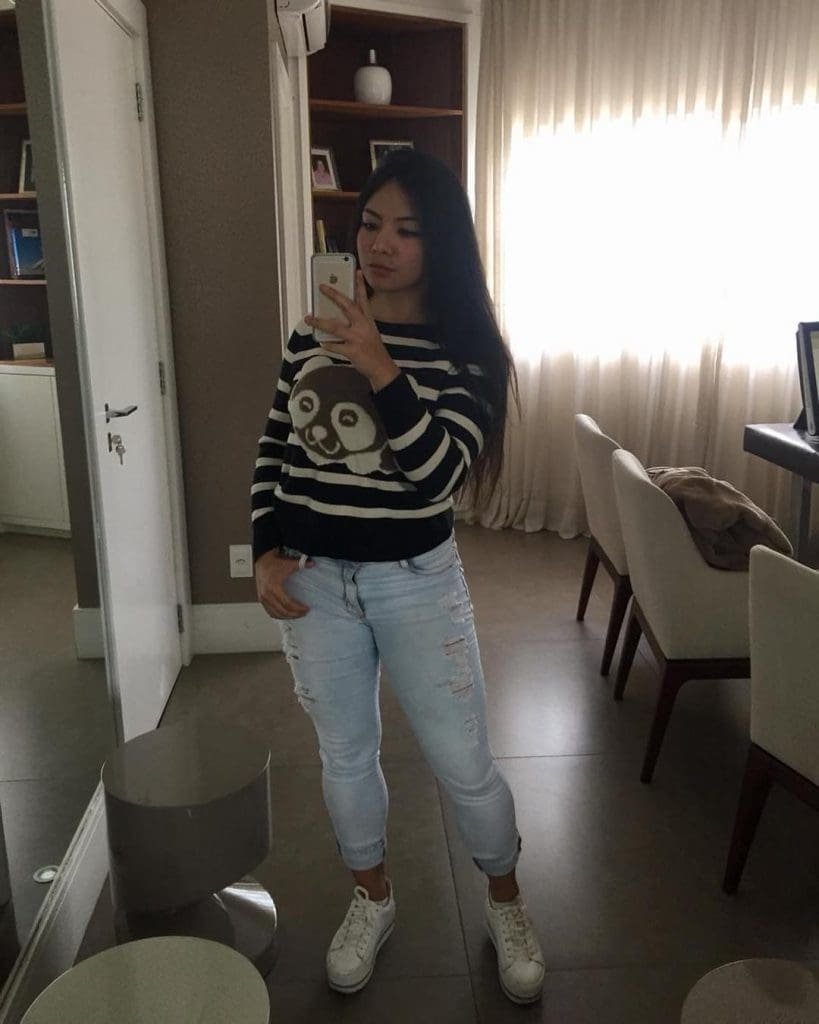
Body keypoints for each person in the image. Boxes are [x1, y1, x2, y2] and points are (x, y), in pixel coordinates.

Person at [251, 150, 545, 1005]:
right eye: (371, 223)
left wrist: (380, 365)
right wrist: (265, 546)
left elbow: (437, 476)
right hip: (314, 582)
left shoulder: (470, 352)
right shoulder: (310, 334)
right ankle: (371, 898)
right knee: (345, 756)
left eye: (407, 231)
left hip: (415, 581)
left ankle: (506, 902)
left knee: (463, 762)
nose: (380, 244)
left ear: (440, 243)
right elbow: (276, 447)